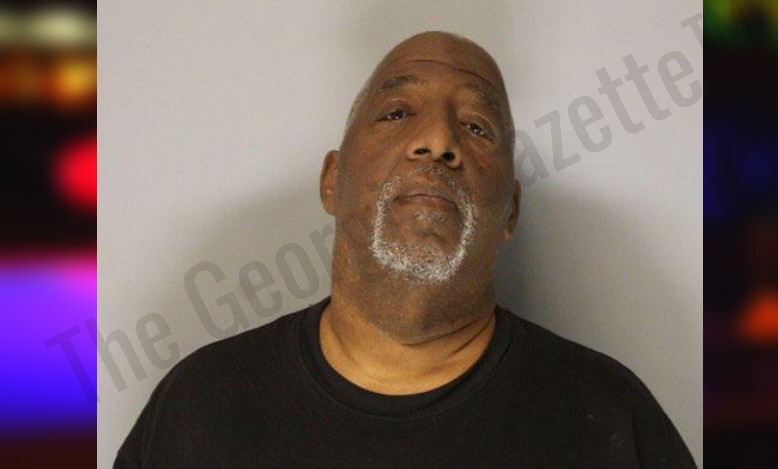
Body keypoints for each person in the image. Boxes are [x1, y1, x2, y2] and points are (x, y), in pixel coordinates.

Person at [115, 32, 696, 467]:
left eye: (477, 127)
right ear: (332, 182)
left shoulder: (609, 417)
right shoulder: (201, 404)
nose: (438, 140)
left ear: (510, 211)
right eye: (397, 113)